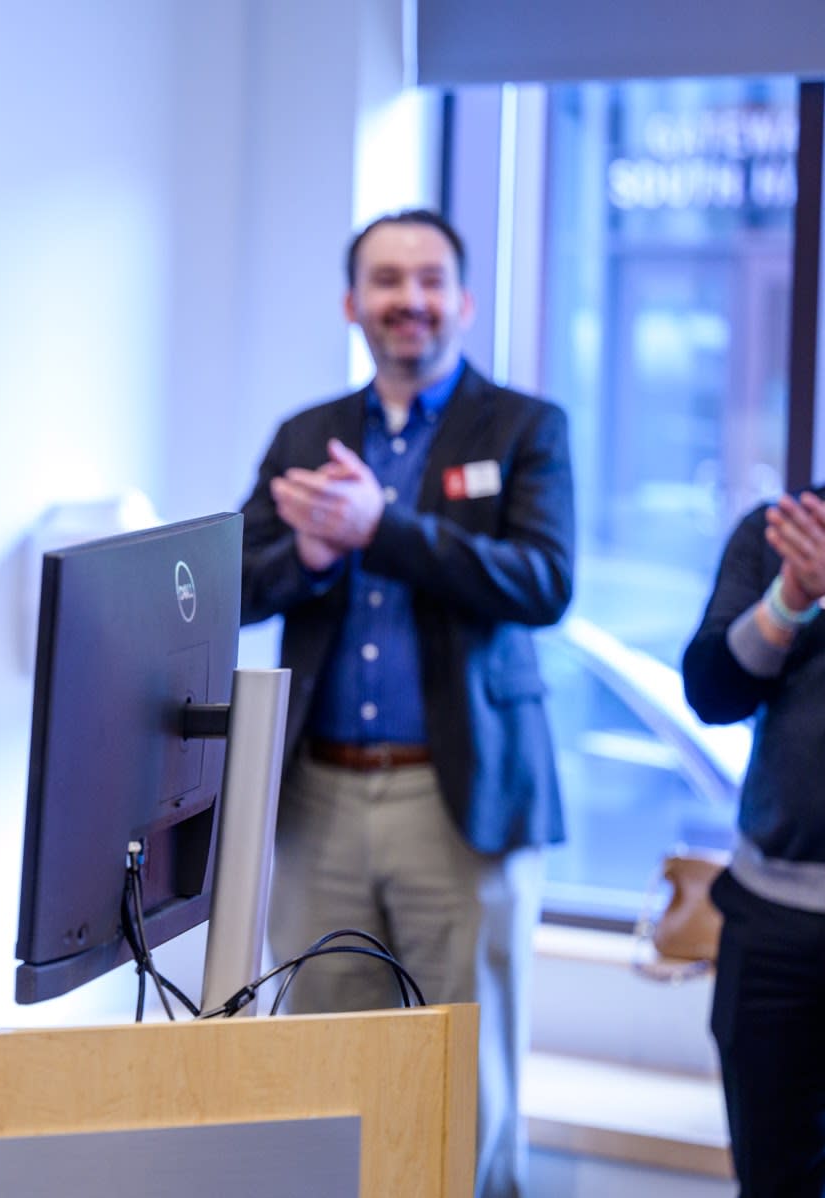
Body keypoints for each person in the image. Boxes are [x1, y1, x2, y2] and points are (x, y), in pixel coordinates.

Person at [238, 210, 574, 1198]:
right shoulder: (307, 434)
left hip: (459, 795)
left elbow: (543, 581)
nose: (408, 299)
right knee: (323, 1057)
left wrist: (384, 529)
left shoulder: (520, 429)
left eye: (429, 279)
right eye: (386, 280)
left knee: (466, 1062)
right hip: (321, 795)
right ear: (353, 304)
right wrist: (306, 554)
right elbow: (237, 585)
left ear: (463, 300)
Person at [683, 486, 825, 1194]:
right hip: (772, 923)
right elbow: (711, 692)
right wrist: (789, 599)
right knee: (773, 1178)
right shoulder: (781, 531)